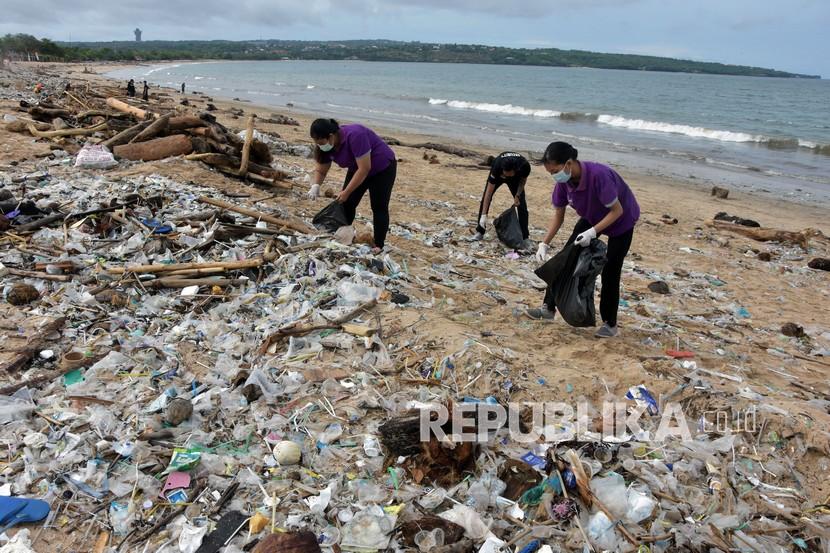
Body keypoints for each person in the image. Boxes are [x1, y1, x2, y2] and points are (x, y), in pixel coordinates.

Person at [529, 141, 640, 338]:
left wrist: (592, 232)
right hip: (593, 216)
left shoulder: (599, 176)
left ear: (569, 164)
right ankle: (548, 309)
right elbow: (559, 216)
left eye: (555, 170)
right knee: (566, 257)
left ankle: (610, 324)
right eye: (550, 172)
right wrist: (544, 243)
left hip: (621, 220)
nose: (554, 175)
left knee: (611, 270)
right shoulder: (564, 183)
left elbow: (617, 211)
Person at [308, 118, 397, 253]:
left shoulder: (356, 135)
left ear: (331, 136)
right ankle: (344, 234)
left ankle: (379, 244)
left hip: (382, 167)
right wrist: (316, 186)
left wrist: (347, 191)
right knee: (347, 203)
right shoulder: (326, 147)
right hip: (357, 168)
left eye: (321, 143)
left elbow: (364, 169)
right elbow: (321, 170)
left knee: (379, 206)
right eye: (317, 143)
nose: (320, 146)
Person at [474, 152, 532, 248]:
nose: (506, 176)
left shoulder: (524, 166)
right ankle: (480, 231)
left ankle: (525, 237)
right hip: (498, 177)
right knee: (485, 199)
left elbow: (523, 181)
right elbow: (488, 193)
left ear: (515, 170)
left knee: (522, 205)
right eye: (505, 174)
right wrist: (484, 215)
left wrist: (518, 194)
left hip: (515, 180)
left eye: (508, 174)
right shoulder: (497, 166)